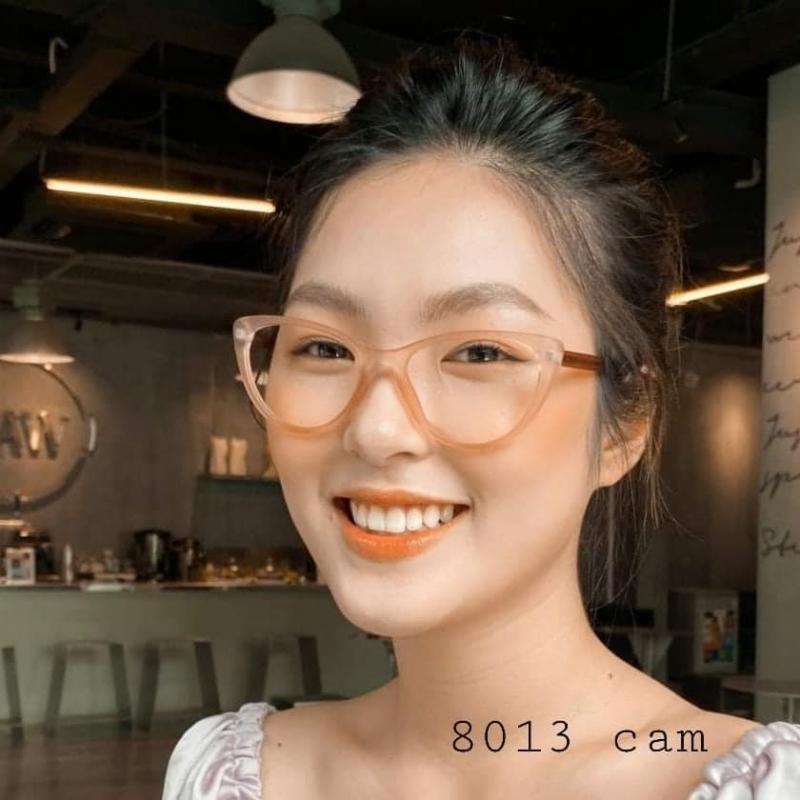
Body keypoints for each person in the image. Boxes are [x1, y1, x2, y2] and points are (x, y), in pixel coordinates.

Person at [162, 35, 800, 799]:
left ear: (624, 424)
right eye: (325, 346)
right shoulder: (228, 774)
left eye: (481, 353)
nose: (377, 429)